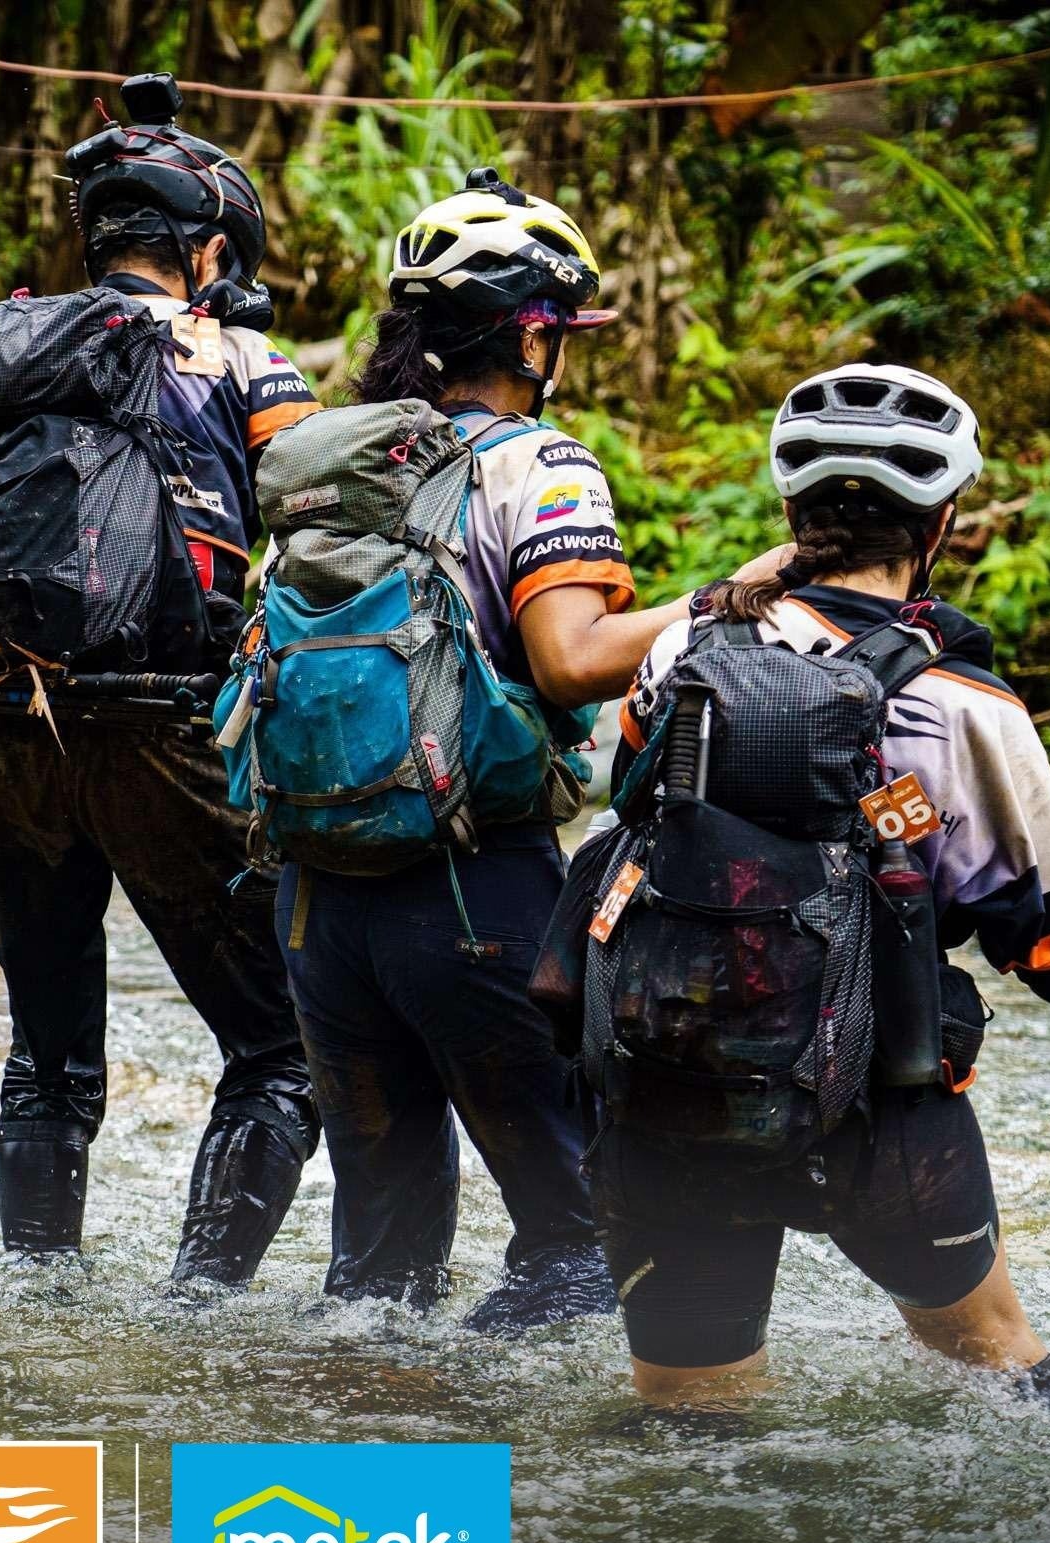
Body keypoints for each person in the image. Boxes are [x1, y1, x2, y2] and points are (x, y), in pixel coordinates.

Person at [590, 362, 1050, 1406]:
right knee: (996, 1360)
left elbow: (632, 808)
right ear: (939, 522)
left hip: (666, 1082)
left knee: (688, 1424)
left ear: (788, 508)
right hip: (880, 1117)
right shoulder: (964, 705)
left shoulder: (683, 648)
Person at [0, 78, 323, 1284]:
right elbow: (333, 562)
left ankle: (39, 1310)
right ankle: (195, 1309)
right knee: (281, 1052)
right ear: (210, 248)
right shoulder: (247, 361)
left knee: (45, 1059)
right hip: (165, 732)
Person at [273, 172, 759, 1330]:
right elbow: (572, 659)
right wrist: (727, 596)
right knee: (579, 1226)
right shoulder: (540, 464)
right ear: (534, 333)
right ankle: (550, 1483)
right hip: (469, 884)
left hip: (315, 899)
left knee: (377, 1266)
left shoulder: (337, 457)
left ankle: (368, 1471)